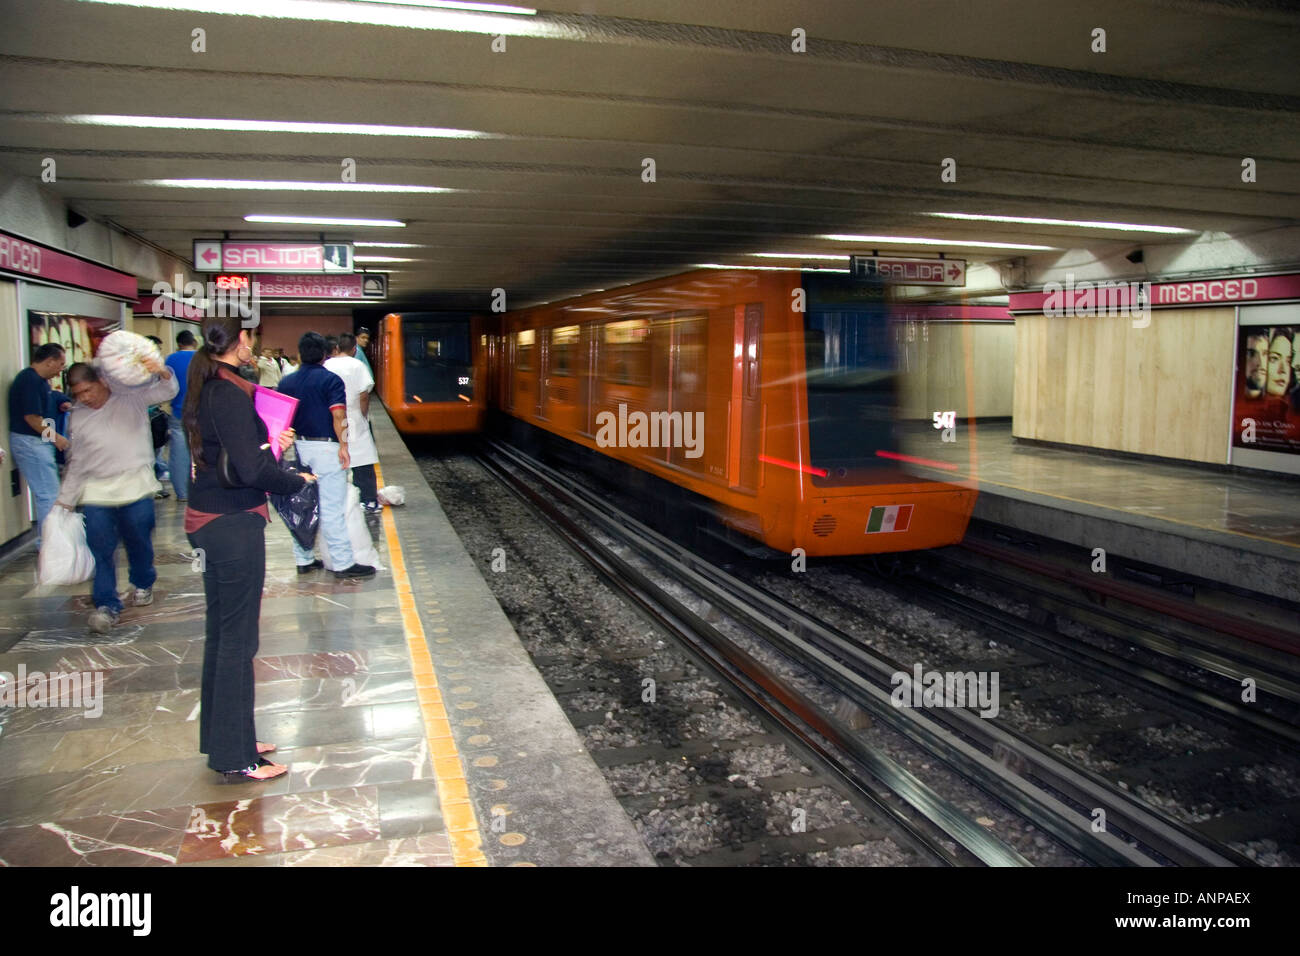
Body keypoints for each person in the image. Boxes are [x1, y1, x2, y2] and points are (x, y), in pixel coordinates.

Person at [184, 313, 316, 782]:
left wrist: (268, 448)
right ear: (240, 341)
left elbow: (235, 457)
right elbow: (251, 471)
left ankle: (227, 736)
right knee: (238, 640)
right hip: (231, 523)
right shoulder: (229, 392)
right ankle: (237, 755)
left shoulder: (211, 386)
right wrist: (294, 479)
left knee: (223, 635)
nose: (253, 346)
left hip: (214, 518)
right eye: (250, 339)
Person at [55, 360, 178, 633]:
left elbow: (167, 391)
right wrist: (65, 499)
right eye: (78, 394)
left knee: (138, 541)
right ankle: (106, 605)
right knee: (101, 549)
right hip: (96, 492)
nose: (85, 398)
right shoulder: (78, 414)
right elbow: (77, 460)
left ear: (101, 382)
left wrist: (161, 371)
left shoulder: (130, 398)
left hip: (135, 487)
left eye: (88, 390)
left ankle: (143, 581)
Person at [278, 332, 375, 579]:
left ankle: (304, 559)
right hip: (326, 448)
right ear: (325, 354)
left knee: (303, 504)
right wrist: (344, 445)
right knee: (331, 508)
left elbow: (281, 419)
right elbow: (338, 416)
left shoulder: (287, 381)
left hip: (299, 446)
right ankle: (342, 563)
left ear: (300, 354)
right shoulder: (330, 380)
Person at [8, 343, 69, 543]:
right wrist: (56, 438)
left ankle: (50, 541)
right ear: (49, 361)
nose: (62, 369)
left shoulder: (40, 382)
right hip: (30, 443)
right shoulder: (29, 380)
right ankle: (49, 544)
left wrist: (62, 402)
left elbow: (49, 402)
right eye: (60, 364)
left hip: (37, 443)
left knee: (49, 493)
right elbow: (32, 418)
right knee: (48, 495)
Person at [324, 333, 380, 513]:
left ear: (337, 347)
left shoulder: (326, 365)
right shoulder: (358, 365)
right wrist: (363, 415)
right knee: (363, 460)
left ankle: (337, 500)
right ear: (354, 349)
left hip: (332, 416)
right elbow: (363, 394)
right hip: (354, 415)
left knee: (336, 458)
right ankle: (368, 500)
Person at [165, 329, 198, 500]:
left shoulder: (170, 360)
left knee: (179, 453)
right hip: (200, 412)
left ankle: (182, 493)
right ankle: (200, 490)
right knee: (203, 451)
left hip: (178, 411)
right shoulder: (202, 358)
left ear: (179, 344)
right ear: (194, 342)